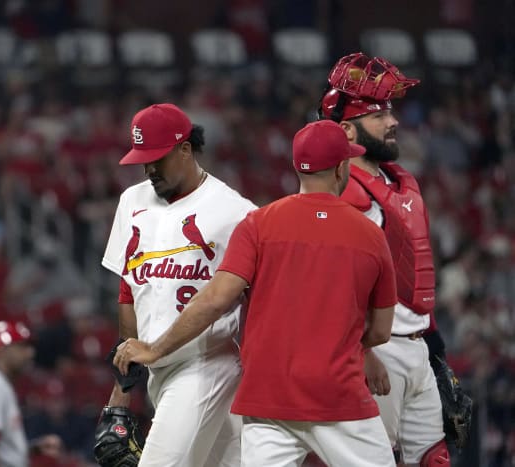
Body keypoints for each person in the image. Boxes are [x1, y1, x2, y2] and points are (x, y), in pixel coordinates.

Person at [113, 119, 398, 467]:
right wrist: (355, 346)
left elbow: (215, 299)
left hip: (267, 405)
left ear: (297, 167)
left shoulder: (258, 223)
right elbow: (382, 330)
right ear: (342, 168)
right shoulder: (370, 234)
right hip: (340, 398)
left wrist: (155, 348)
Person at [318, 52, 472, 466]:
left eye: (390, 112)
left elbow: (416, 277)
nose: (393, 121)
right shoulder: (343, 190)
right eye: (378, 116)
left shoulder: (400, 180)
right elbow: (335, 286)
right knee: (375, 460)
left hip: (418, 348)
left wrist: (436, 353)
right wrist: (362, 353)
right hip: (375, 352)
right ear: (346, 129)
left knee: (434, 458)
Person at [98, 103, 257, 467]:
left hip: (208, 363)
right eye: (143, 159)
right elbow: (130, 288)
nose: (149, 168)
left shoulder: (236, 212)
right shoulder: (132, 201)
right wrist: (124, 384)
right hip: (158, 370)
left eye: (158, 158)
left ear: (185, 149)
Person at [0, 320, 62, 467]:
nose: (30, 353)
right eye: (22, 347)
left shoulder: (0, 384)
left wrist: (33, 449)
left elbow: (1, 452)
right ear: (1, 350)